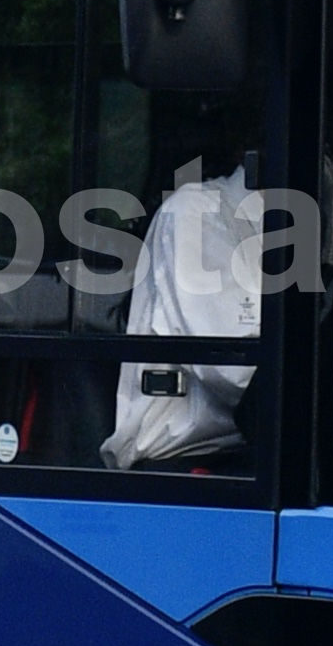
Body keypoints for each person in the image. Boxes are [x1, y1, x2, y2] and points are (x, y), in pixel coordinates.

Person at [107, 161, 262, 467]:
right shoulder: (198, 211)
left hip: (255, 451)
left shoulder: (306, 226)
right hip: (189, 463)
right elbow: (237, 367)